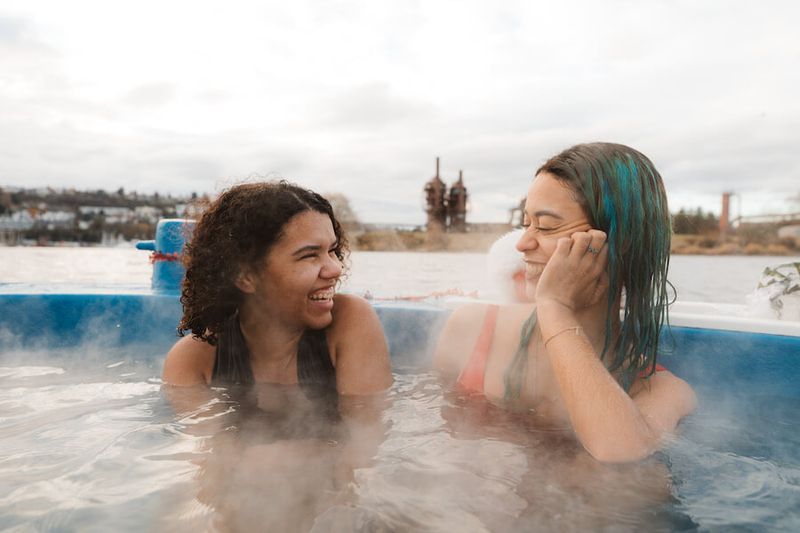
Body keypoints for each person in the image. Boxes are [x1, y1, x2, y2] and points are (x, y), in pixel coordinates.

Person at [435, 142, 696, 463]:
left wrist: (555, 307)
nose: (523, 242)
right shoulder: (471, 328)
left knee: (647, 485)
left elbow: (618, 451)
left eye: (545, 226)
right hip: (464, 505)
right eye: (526, 222)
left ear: (619, 244)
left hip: (576, 510)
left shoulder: (662, 392)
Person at [163, 180, 392, 398]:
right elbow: (207, 438)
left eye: (332, 250)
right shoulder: (193, 361)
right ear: (245, 276)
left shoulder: (350, 321)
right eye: (309, 255)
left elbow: (365, 432)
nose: (335, 268)